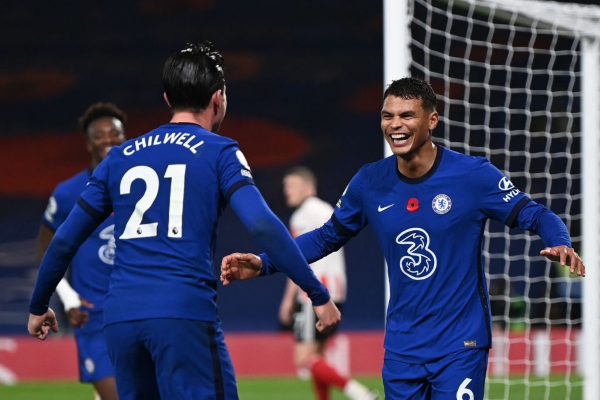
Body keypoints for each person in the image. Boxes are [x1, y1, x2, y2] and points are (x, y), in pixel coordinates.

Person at [220, 76, 586, 400]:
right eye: (387, 116)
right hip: (402, 346)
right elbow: (326, 237)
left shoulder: (473, 176)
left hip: (460, 343)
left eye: (407, 115)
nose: (395, 124)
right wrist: (265, 263)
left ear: (432, 121)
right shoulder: (369, 182)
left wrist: (559, 239)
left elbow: (534, 213)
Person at [28, 41, 341, 400]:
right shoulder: (220, 151)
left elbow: (64, 240)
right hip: (181, 312)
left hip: (120, 321)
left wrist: (39, 306)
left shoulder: (120, 157)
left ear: (167, 98)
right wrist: (316, 293)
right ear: (218, 99)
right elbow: (262, 225)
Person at [36, 102, 126, 400]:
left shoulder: (143, 186)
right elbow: (46, 247)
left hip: (139, 307)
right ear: (88, 143)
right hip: (93, 315)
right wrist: (67, 296)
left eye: (115, 133)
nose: (108, 139)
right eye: (99, 135)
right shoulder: (67, 193)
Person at [280, 166, 376, 400]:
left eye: (292, 185)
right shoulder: (327, 210)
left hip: (313, 294)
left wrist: (288, 300)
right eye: (286, 186)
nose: (287, 191)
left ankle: (358, 392)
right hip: (336, 291)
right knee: (318, 356)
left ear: (308, 188)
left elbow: (297, 259)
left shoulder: (302, 215)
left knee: (304, 359)